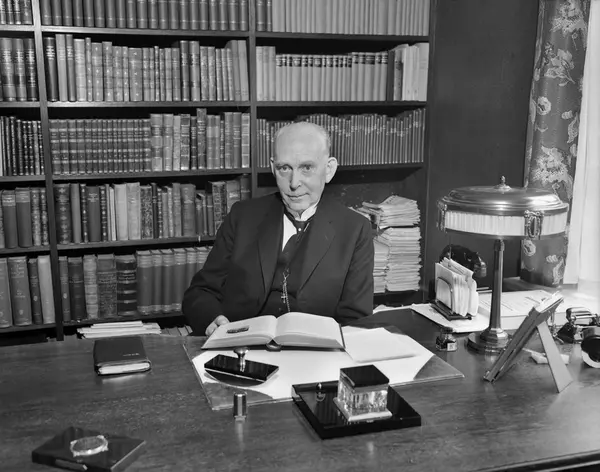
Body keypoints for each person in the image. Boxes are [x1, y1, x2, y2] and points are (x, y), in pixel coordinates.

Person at [182, 121, 374, 336]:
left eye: (307, 168)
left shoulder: (355, 230)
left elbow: (355, 321)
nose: (294, 183)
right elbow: (200, 292)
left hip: (313, 350)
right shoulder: (243, 216)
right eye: (285, 168)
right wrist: (213, 320)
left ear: (329, 169)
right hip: (240, 344)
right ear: (273, 168)